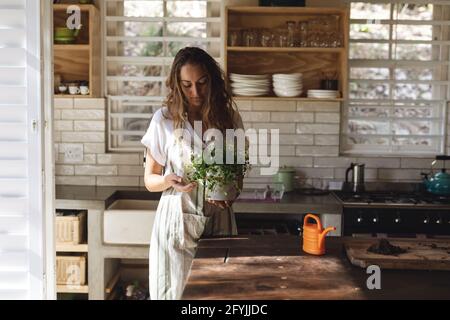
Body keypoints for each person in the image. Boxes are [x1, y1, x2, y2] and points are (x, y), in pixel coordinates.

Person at [141, 47, 244, 300]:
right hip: (177, 227)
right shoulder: (163, 120)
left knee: (218, 298)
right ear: (177, 85)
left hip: (220, 223)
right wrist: (167, 180)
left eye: (202, 83)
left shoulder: (228, 118)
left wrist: (230, 192)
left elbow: (237, 173)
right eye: (187, 85)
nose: (195, 93)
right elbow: (149, 180)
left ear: (213, 80)